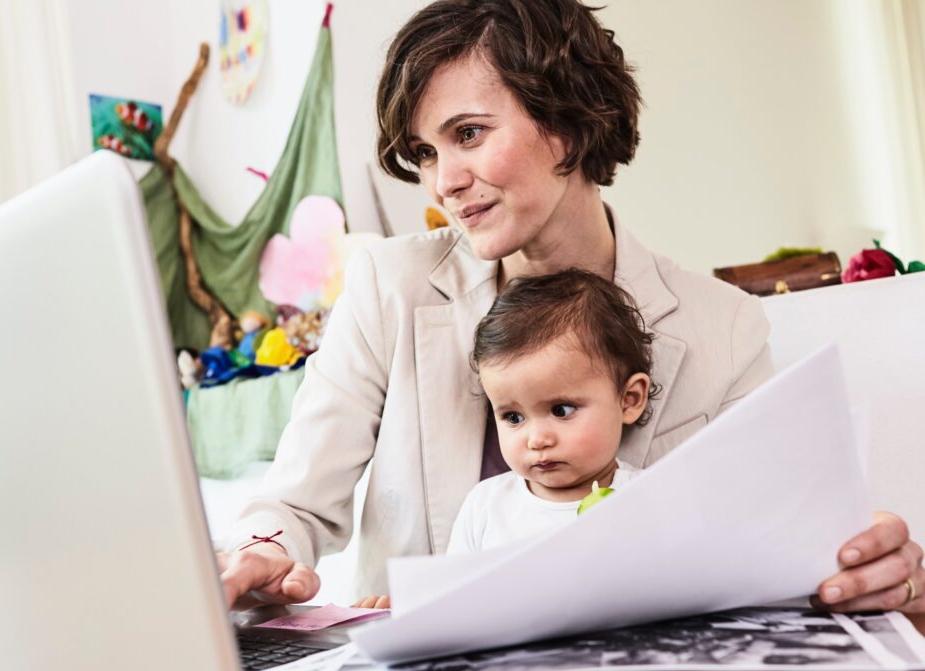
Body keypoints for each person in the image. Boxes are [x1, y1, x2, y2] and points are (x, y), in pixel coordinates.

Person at [218, 0, 924, 626]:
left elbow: (779, 542)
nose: (444, 181)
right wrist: (261, 551)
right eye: (425, 153)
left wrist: (861, 559)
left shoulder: (725, 327)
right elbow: (295, 503)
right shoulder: (387, 285)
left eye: (467, 134)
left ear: (567, 120)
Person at [448, 268, 652, 554]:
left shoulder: (649, 500)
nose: (537, 440)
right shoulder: (485, 507)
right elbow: (451, 596)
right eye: (513, 418)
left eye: (561, 410)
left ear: (629, 399)